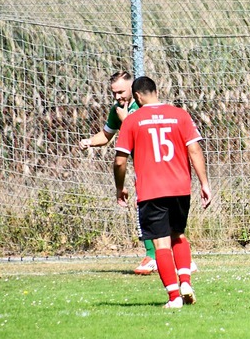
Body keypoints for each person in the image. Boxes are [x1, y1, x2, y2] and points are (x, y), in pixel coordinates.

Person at [79, 71, 197, 275]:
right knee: (149, 215)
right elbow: (106, 135)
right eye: (114, 93)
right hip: (145, 170)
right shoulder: (117, 109)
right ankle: (166, 260)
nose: (117, 97)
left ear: (133, 90)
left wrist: (126, 120)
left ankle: (161, 258)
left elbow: (141, 130)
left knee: (163, 219)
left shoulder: (144, 107)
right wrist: (89, 141)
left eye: (121, 92)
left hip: (161, 169)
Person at [113, 76, 212, 308]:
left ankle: (174, 297)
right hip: (180, 188)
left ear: (137, 96)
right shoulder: (180, 115)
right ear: (156, 91)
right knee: (178, 235)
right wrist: (204, 183)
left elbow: (120, 161)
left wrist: (119, 188)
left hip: (151, 190)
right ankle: (185, 282)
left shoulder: (132, 120)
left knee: (161, 244)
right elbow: (195, 150)